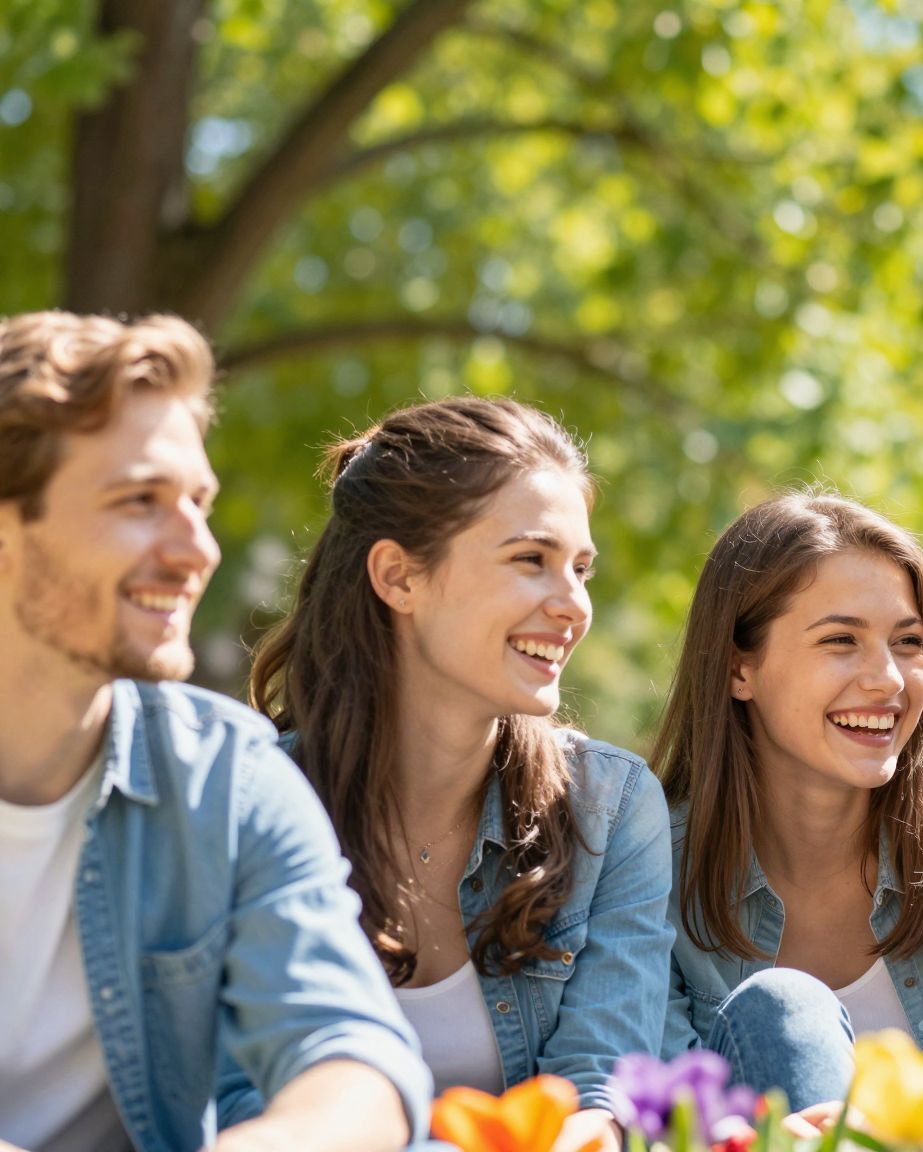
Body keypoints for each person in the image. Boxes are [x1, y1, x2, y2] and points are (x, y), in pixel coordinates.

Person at [0, 312, 427, 1152]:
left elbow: (358, 1059)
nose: (198, 550)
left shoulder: (224, 776)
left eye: (197, 503)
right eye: (139, 502)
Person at [217, 396, 673, 1152]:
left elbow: (601, 1086)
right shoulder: (248, 804)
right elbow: (236, 1098)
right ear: (399, 576)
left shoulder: (612, 806)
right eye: (531, 560)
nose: (574, 605)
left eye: (581, 568)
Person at [655, 491, 923, 1142]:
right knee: (782, 1010)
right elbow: (660, 1123)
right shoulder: (652, 863)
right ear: (738, 668)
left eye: (908, 642)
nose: (889, 680)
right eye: (841, 640)